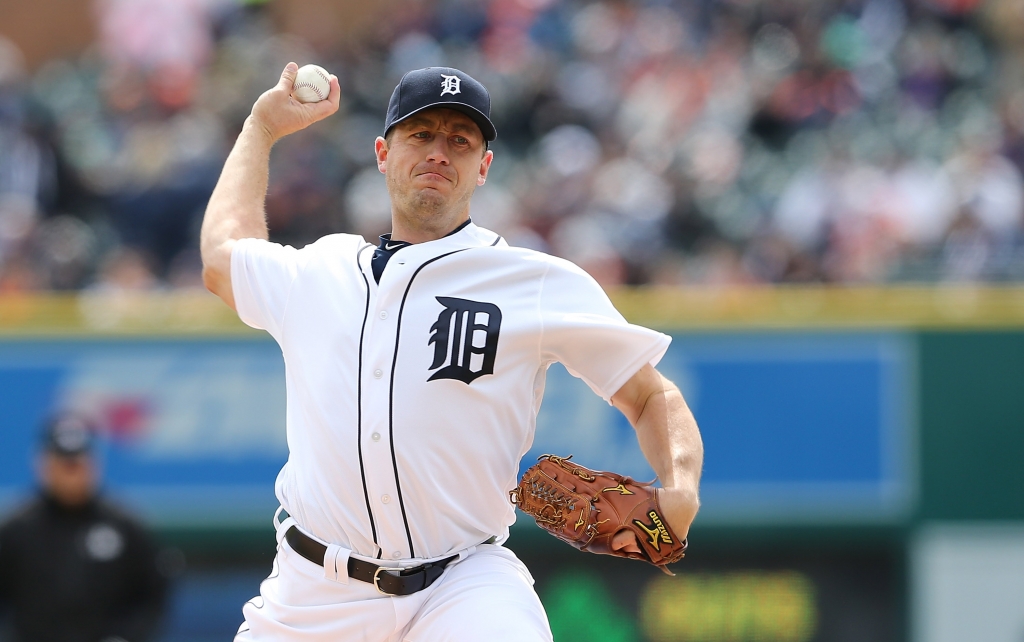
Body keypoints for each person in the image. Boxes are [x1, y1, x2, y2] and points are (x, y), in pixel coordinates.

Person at [200, 64, 704, 641]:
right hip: (312, 595)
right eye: (421, 134)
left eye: (460, 140)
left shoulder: (531, 281)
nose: (439, 151)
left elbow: (649, 394)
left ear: (483, 166)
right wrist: (261, 128)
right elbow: (221, 256)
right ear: (383, 154)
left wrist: (680, 486)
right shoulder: (318, 271)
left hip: (462, 585)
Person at [0, 414, 172, 642]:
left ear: (94, 464)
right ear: (44, 465)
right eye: (63, 464)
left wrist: (126, 636)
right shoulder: (17, 530)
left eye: (77, 464)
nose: (71, 475)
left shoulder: (124, 526)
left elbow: (153, 596)